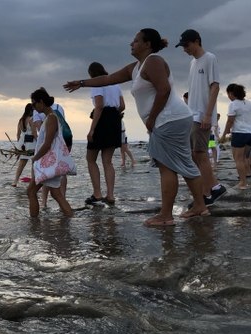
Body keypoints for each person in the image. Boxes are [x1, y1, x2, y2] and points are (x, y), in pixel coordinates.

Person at [64, 28, 208, 226]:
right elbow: (107, 79)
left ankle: (166, 216)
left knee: (167, 167)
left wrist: (151, 119)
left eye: (136, 41)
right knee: (184, 163)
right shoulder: (137, 67)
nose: (131, 44)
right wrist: (81, 83)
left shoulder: (154, 61)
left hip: (168, 120)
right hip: (175, 118)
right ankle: (200, 206)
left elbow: (164, 90)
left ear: (147, 44)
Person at [176, 29, 226, 207]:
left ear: (196, 41)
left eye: (187, 45)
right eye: (183, 46)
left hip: (202, 115)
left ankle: (210, 190)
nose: (185, 49)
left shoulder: (209, 58)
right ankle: (212, 188)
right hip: (192, 114)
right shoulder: (192, 63)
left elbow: (215, 87)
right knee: (195, 154)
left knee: (200, 153)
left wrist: (207, 114)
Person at [27, 89, 74, 217]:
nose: (34, 107)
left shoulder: (52, 118)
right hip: (49, 163)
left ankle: (34, 224)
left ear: (41, 102)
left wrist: (35, 158)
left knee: (31, 191)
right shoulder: (50, 117)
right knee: (56, 194)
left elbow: (47, 144)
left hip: (48, 163)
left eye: (34, 104)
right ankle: (69, 218)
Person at [83, 62, 124, 205]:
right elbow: (122, 106)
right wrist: (114, 116)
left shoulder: (97, 84)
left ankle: (97, 193)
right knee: (108, 161)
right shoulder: (115, 84)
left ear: (92, 74)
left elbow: (99, 106)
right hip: (115, 119)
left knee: (91, 158)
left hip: (102, 119)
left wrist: (92, 129)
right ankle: (110, 195)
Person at [220, 84, 251, 190]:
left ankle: (243, 182)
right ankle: (248, 173)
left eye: (228, 94)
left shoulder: (233, 104)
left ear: (231, 93)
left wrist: (224, 134)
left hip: (240, 133)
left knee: (238, 159)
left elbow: (230, 120)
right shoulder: (250, 103)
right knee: (245, 156)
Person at [12, 103, 35, 187]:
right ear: (30, 110)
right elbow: (34, 133)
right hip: (31, 143)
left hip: (22, 143)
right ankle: (33, 182)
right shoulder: (31, 119)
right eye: (33, 110)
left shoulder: (20, 120)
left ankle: (15, 181)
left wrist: (19, 145)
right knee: (34, 163)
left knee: (21, 164)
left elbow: (18, 134)